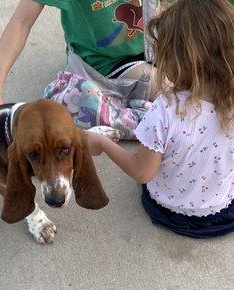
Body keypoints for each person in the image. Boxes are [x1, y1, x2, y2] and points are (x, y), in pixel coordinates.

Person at [86, 0, 234, 238]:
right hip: (222, 214)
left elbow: (142, 172)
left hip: (169, 210)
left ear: (180, 60)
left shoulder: (166, 109)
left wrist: (102, 143)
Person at [0, 0, 162, 119]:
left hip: (155, 42)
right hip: (107, 63)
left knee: (193, 72)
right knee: (177, 92)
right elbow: (21, 22)